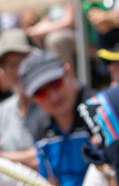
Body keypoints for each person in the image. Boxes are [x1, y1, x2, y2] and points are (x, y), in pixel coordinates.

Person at [19, 49, 94, 186]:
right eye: (40, 92)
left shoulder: (100, 112)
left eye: (55, 83)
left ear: (69, 72)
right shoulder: (39, 129)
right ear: (32, 98)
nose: (53, 96)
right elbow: (51, 181)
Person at [0, 30, 40, 171]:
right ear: (1, 72)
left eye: (21, 61)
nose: (18, 71)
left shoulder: (52, 102)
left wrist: (1, 156)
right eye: (9, 66)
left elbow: (50, 156)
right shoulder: (0, 112)